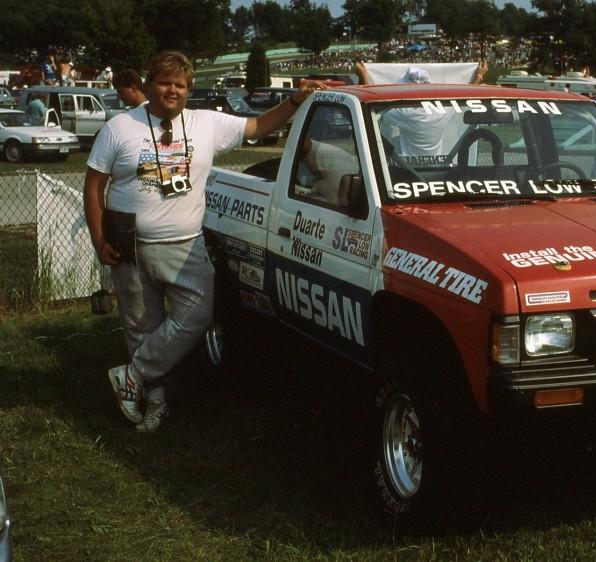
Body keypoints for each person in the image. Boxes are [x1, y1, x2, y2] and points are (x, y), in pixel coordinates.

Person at [83, 51, 325, 433]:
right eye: (165, 82)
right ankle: (155, 403)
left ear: (188, 90)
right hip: (127, 245)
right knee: (140, 325)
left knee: (195, 316)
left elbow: (260, 126)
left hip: (185, 243)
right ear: (148, 85)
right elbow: (94, 185)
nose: (172, 90)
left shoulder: (206, 123)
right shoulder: (119, 128)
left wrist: (295, 100)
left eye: (180, 84)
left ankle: (133, 375)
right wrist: (99, 239)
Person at [354, 60, 488, 159]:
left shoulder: (406, 113)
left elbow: (372, 103)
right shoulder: (442, 110)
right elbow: (465, 97)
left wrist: (364, 75)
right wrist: (479, 76)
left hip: (407, 166)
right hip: (437, 164)